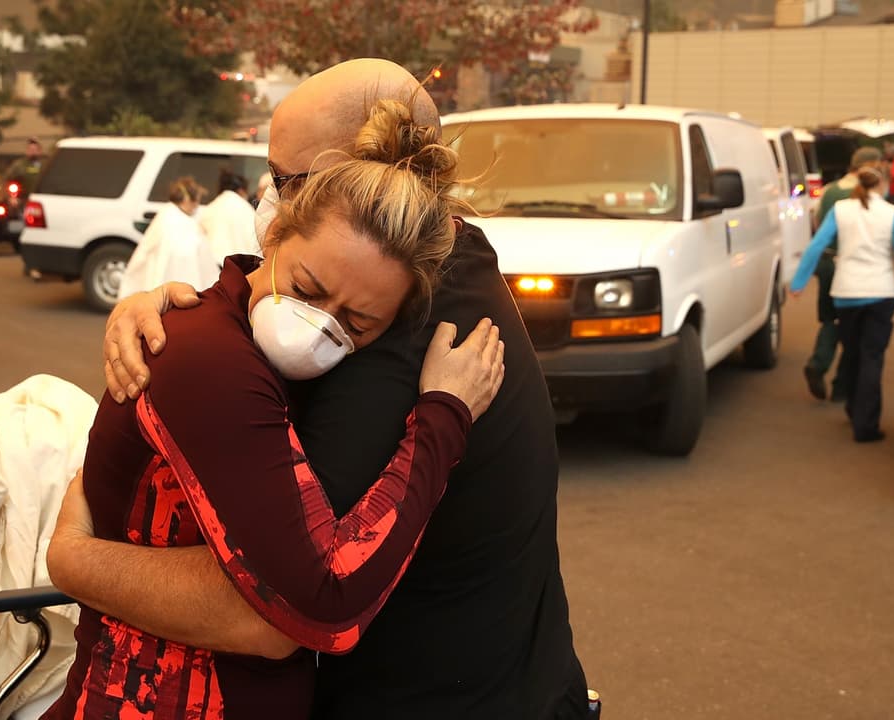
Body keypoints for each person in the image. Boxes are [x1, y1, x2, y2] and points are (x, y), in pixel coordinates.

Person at [46, 59, 590, 719]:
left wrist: (74, 560)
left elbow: (273, 612)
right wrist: (180, 305)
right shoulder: (446, 257)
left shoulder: (406, 334)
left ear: (364, 178)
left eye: (285, 181)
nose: (270, 201)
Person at [791, 165, 894, 443]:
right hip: (881, 292)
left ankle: (853, 406)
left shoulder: (840, 210)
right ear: (883, 184)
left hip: (846, 292)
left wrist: (799, 281)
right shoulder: (893, 214)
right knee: (872, 357)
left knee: (853, 353)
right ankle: (865, 423)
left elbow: (816, 245)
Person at [802, 146, 885, 402]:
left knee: (831, 319)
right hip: (855, 266)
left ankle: (818, 363)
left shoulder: (830, 190)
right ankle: (842, 385)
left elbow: (817, 222)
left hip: (827, 261)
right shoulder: (867, 194)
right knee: (856, 329)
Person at [117, 177, 218, 301]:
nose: (197, 206)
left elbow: (144, 251)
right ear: (186, 199)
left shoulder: (167, 216)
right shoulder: (179, 221)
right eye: (196, 201)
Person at [198, 168, 259, 263]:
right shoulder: (246, 209)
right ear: (241, 190)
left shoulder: (210, 208)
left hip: (214, 265)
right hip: (241, 265)